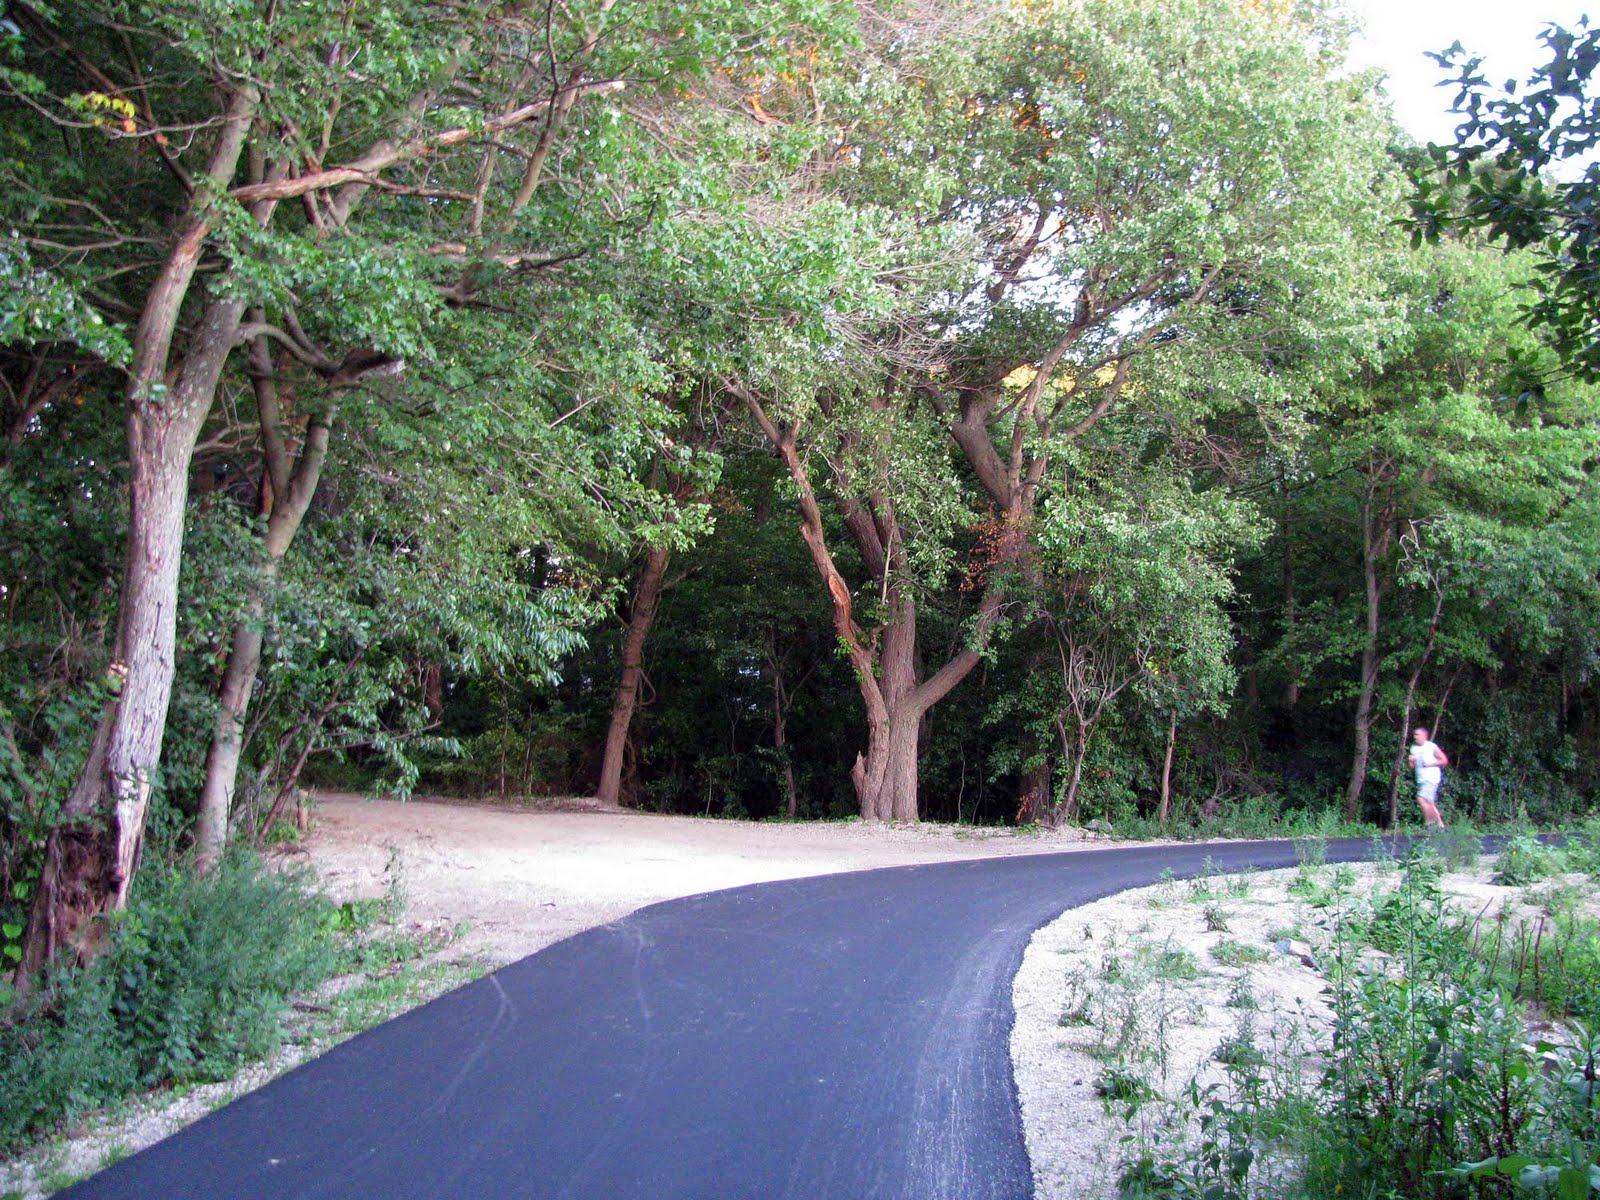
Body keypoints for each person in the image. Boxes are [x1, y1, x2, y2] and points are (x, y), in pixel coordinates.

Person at [1408, 727, 1449, 828]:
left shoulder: (1431, 747)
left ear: (1424, 736)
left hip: (1431, 778)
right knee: (1430, 802)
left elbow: (1444, 760)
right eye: (1414, 735)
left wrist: (1430, 764)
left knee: (1421, 798)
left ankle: (1430, 824)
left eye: (1417, 734)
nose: (1415, 737)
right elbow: (1412, 767)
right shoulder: (1414, 748)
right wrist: (1410, 760)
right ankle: (1440, 826)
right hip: (1421, 779)